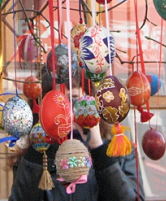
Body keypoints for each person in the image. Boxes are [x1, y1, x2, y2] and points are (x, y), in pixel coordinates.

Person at [9, 66, 145, 201]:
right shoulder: (33, 157)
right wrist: (40, 150)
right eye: (57, 103)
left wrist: (98, 149)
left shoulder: (118, 152)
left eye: (74, 98)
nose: (67, 110)